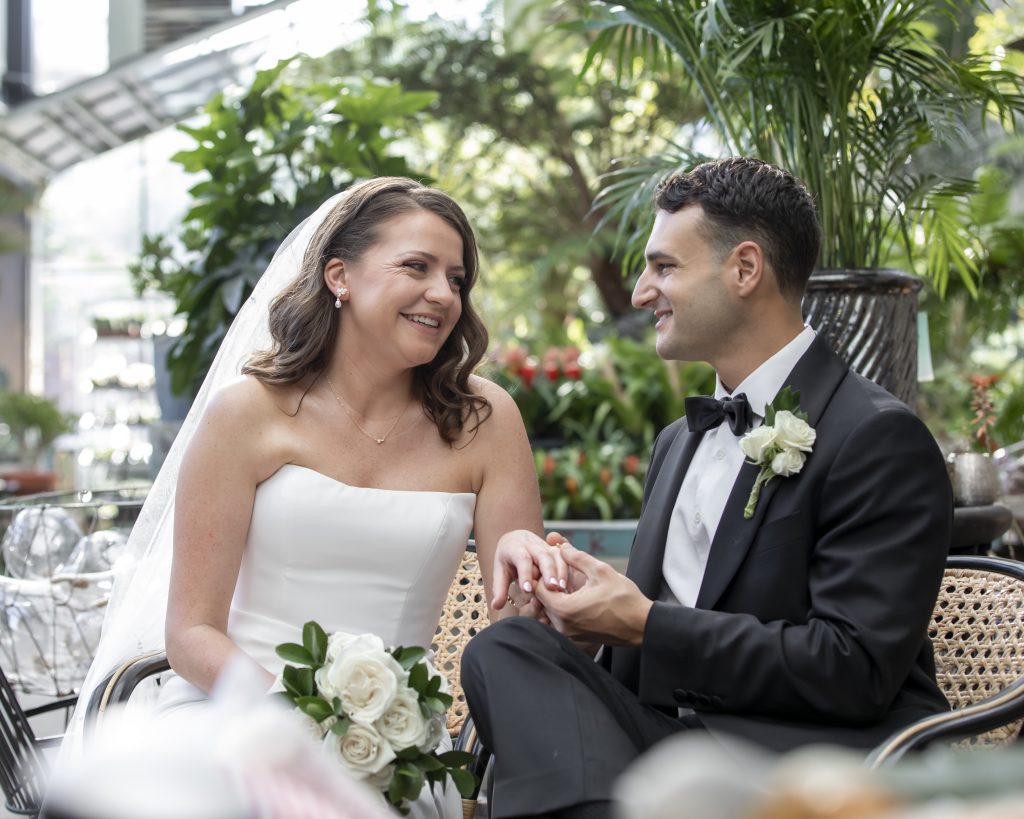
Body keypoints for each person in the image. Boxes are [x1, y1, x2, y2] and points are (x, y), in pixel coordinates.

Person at [54, 177, 568, 819]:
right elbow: (190, 632)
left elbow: (517, 628)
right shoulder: (247, 413)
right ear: (339, 277)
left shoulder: (485, 419)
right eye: (417, 266)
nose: (444, 294)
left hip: (390, 753)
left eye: (458, 279)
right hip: (233, 714)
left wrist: (548, 588)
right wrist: (296, 726)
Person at [462, 157, 953, 819]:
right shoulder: (677, 441)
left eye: (664, 266)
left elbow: (853, 667)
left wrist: (643, 624)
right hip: (666, 749)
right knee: (506, 646)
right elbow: (656, 630)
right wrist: (590, 628)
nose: (640, 292)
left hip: (799, 760)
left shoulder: (877, 436)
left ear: (745, 269)